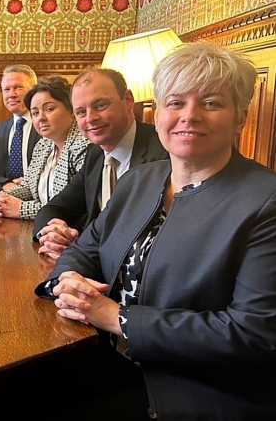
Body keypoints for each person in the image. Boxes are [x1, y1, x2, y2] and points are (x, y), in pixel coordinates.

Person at [36, 43, 276, 420]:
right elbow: (88, 246)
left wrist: (116, 316)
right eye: (176, 102)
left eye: (211, 103)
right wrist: (67, 279)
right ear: (158, 111)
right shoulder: (140, 179)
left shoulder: (266, 201)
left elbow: (253, 333)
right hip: (105, 358)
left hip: (194, 390)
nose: (189, 116)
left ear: (240, 118)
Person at [32, 68, 167, 258]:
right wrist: (52, 233)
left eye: (101, 105)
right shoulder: (95, 156)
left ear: (128, 100)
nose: (91, 118)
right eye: (80, 112)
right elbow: (54, 208)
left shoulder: (164, 152)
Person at [0, 75, 91, 220]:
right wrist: (2, 199)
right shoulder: (43, 145)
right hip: (42, 230)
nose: (40, 117)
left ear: (71, 110)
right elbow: (28, 187)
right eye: (35, 113)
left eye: (49, 109)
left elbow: (77, 208)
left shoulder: (84, 147)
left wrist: (21, 209)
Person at [0, 64, 41, 192]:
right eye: (6, 89)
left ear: (33, 90)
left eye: (18, 87)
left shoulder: (46, 125)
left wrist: (30, 183)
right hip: (6, 200)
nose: (11, 94)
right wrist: (7, 185)